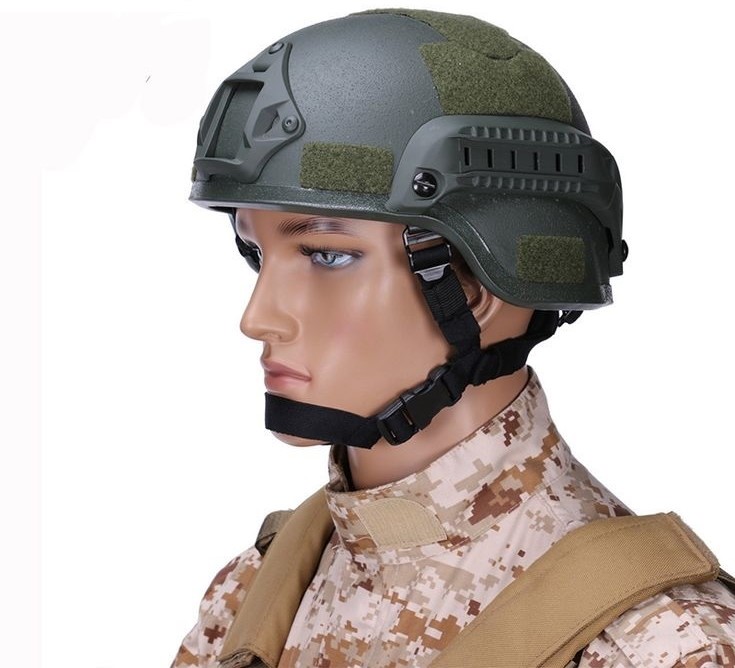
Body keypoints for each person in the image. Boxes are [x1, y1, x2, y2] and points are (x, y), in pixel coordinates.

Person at [172, 9, 735, 667]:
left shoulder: (658, 645)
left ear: (473, 290)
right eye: (255, 253)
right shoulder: (252, 596)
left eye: (327, 255)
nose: (258, 317)